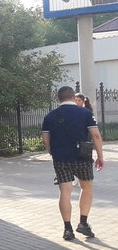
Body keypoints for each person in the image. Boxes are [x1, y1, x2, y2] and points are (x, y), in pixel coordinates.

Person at [41, 86, 104, 240]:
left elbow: (45, 139)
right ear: (73, 97)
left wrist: (52, 152)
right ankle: (83, 223)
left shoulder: (50, 116)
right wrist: (100, 156)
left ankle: (67, 229)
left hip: (60, 158)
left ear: (59, 98)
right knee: (86, 187)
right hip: (82, 157)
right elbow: (95, 135)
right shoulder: (85, 113)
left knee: (65, 191)